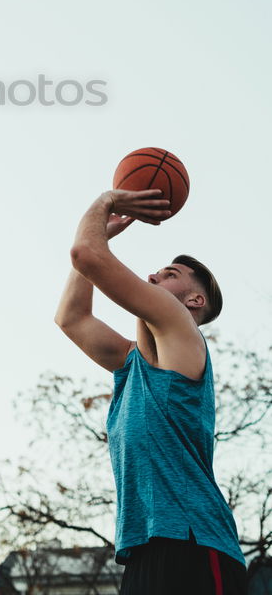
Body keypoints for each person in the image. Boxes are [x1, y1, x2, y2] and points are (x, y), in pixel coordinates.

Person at [55, 188, 246, 595]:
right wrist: (99, 238)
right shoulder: (131, 365)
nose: (154, 276)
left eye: (170, 275)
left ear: (194, 300)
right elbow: (71, 317)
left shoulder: (183, 330)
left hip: (196, 544)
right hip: (143, 547)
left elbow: (85, 255)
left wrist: (105, 201)